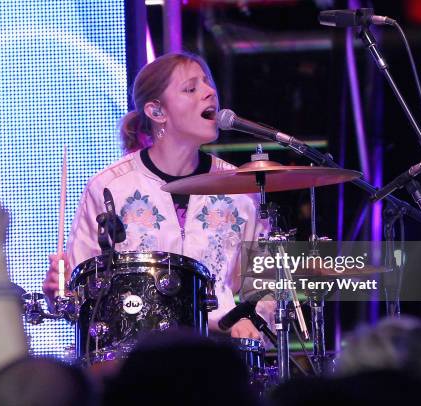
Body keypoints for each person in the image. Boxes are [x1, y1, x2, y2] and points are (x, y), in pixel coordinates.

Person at [43, 51, 269, 339]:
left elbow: (264, 286)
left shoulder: (239, 189)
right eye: (191, 88)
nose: (210, 92)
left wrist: (251, 320)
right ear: (156, 111)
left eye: (207, 83)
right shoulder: (110, 186)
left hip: (219, 352)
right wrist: (59, 296)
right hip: (136, 352)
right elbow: (80, 297)